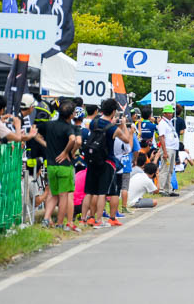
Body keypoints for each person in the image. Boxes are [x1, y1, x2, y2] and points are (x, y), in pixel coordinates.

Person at [81, 98, 133, 229]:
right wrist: (123, 126)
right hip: (107, 161)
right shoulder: (113, 129)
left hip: (92, 159)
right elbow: (126, 140)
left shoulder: (93, 122)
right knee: (102, 192)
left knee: (90, 191)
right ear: (114, 111)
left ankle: (85, 219)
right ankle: (99, 220)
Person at [37, 101, 80, 231]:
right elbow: (75, 140)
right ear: (71, 115)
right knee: (63, 196)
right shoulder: (70, 128)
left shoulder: (49, 125)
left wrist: (47, 146)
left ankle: (46, 218)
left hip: (51, 165)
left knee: (52, 194)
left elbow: (36, 135)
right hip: (65, 165)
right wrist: (67, 152)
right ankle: (60, 223)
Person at [157, 104, 180, 197]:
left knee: (170, 170)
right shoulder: (162, 123)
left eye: (171, 112)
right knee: (165, 169)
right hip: (167, 149)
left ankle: (168, 189)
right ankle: (162, 188)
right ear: (165, 113)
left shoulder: (169, 122)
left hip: (172, 148)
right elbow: (161, 138)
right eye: (169, 112)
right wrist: (165, 152)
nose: (171, 114)